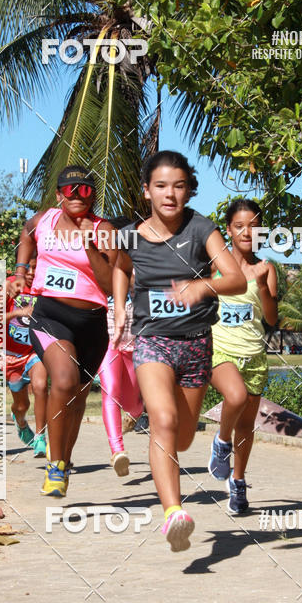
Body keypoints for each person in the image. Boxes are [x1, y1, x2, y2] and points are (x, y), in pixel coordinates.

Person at [112, 150, 246, 552]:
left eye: (179, 185)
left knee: (183, 438)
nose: (170, 194)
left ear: (189, 189)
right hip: (153, 341)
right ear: (147, 191)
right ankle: (174, 513)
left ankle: (184, 471)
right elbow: (120, 267)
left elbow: (236, 278)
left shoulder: (202, 229)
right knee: (163, 421)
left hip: (196, 345)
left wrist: (203, 286)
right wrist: (120, 307)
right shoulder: (130, 235)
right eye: (161, 186)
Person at [10, 165, 116, 496]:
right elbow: (27, 234)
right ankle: (54, 466)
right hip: (50, 316)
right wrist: (21, 270)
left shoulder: (104, 229)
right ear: (59, 195)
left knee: (77, 397)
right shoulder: (44, 221)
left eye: (85, 190)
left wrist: (88, 246)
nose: (77, 196)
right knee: (64, 380)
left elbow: (111, 284)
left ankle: (64, 462)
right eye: (71, 190)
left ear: (93, 195)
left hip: (92, 324)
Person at [207, 199, 278, 514]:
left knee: (247, 426)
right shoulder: (215, 266)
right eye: (239, 226)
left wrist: (262, 286)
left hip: (254, 357)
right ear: (229, 230)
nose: (247, 232)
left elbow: (273, 319)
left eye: (254, 226)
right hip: (220, 350)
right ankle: (221, 444)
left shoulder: (266, 267)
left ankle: (237, 482)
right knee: (233, 397)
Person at [3, 258, 48, 457]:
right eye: (28, 268)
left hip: (33, 351)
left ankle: (40, 437)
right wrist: (18, 313)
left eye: (36, 268)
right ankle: (20, 421)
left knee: (40, 386)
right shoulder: (10, 285)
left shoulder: (45, 288)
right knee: (22, 405)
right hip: (10, 356)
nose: (31, 272)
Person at [98, 289, 143, 477]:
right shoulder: (102, 270)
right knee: (110, 391)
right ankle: (118, 451)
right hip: (108, 343)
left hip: (136, 344)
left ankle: (135, 413)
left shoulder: (140, 266)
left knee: (133, 404)